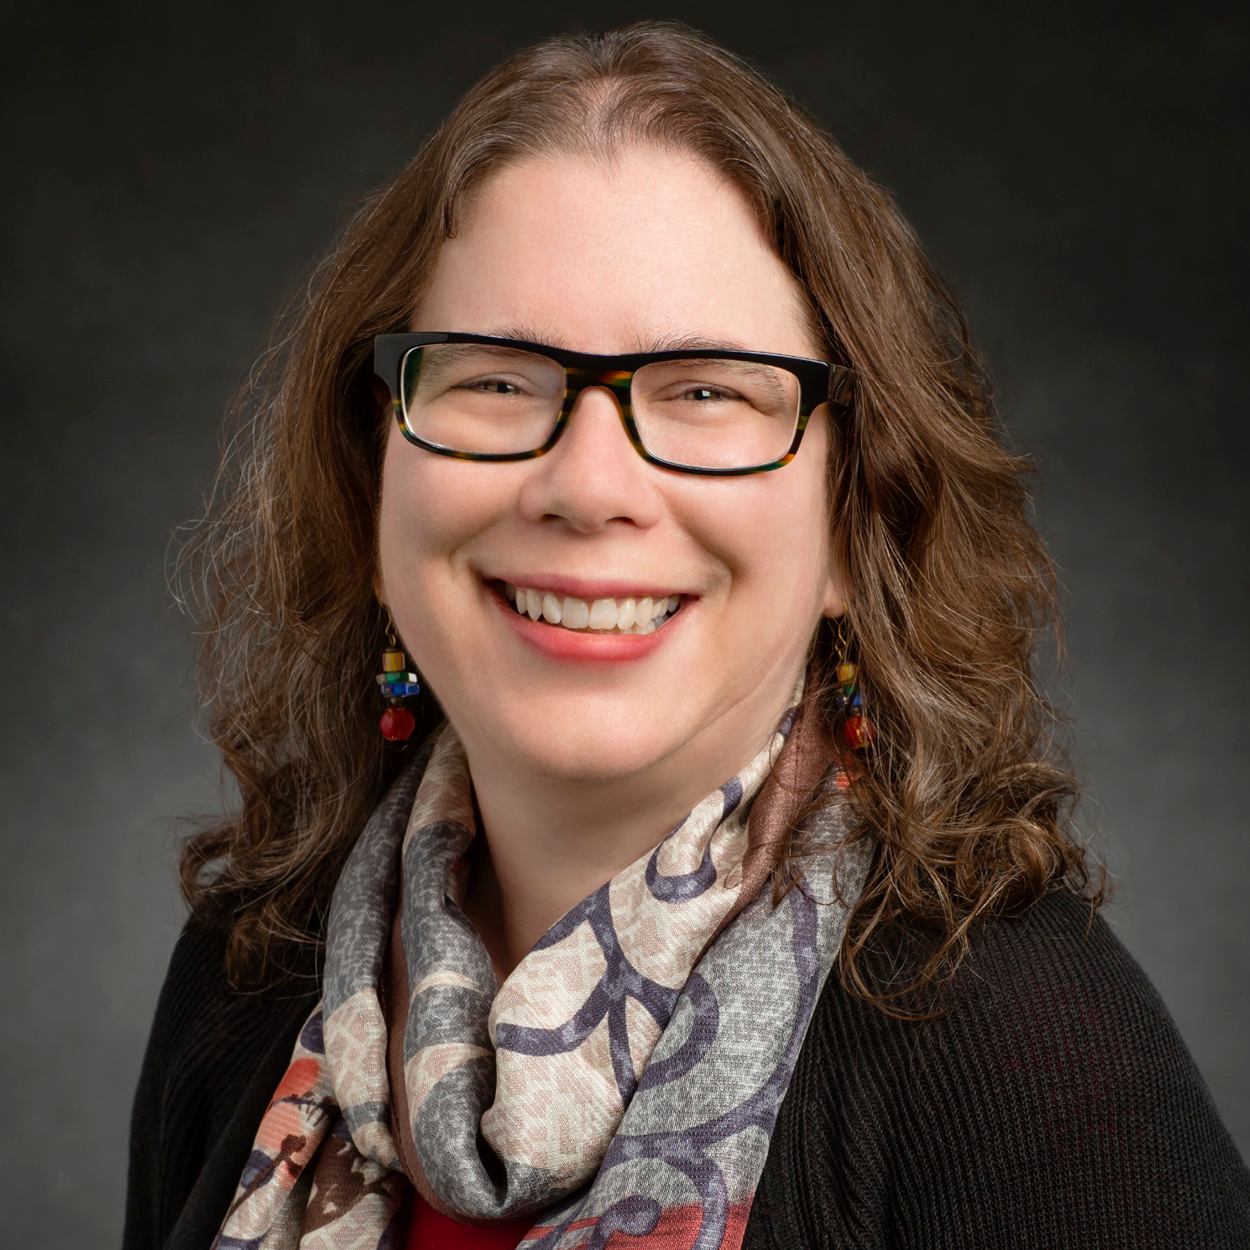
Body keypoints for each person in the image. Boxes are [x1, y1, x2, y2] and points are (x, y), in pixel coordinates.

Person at [123, 21, 1250, 1250]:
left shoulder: (1032, 1063)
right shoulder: (246, 977)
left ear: (852, 515)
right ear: (373, 473)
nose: (587, 484)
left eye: (708, 389)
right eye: (496, 378)